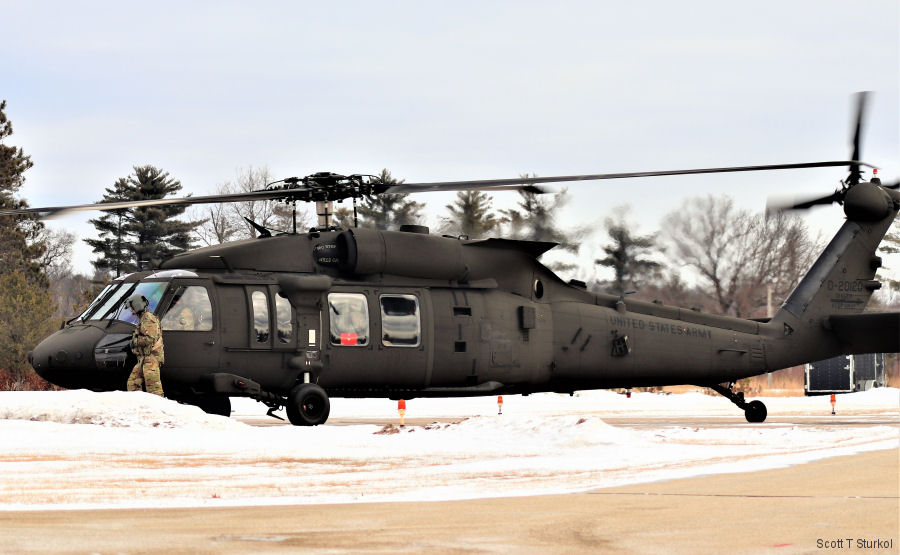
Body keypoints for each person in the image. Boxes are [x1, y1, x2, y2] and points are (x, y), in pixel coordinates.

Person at [126, 294, 165, 397]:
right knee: (133, 383)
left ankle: (159, 411)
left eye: (132, 308)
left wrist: (134, 342)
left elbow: (150, 339)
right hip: (144, 358)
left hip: (151, 359)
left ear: (137, 306)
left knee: (154, 391)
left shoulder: (148, 319)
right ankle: (140, 407)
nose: (131, 311)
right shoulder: (143, 319)